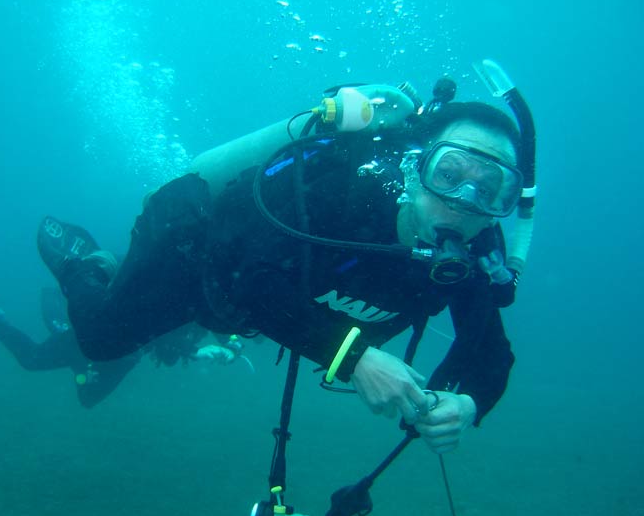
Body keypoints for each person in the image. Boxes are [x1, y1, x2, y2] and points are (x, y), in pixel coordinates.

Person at [37, 65, 535, 453]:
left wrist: (467, 404)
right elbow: (247, 276)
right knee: (101, 339)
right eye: (448, 174)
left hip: (244, 301)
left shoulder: (472, 256)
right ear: (414, 167)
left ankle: (116, 267)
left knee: (189, 328)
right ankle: (84, 262)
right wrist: (354, 358)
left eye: (490, 189)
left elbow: (492, 352)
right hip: (197, 243)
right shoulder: (347, 189)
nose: (463, 202)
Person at [0, 288, 242, 408]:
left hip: (122, 351)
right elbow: (164, 339)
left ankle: (75, 354)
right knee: (33, 359)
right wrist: (199, 352)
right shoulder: (181, 300)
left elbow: (216, 330)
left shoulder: (201, 304)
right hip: (100, 336)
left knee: (87, 398)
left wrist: (229, 347)